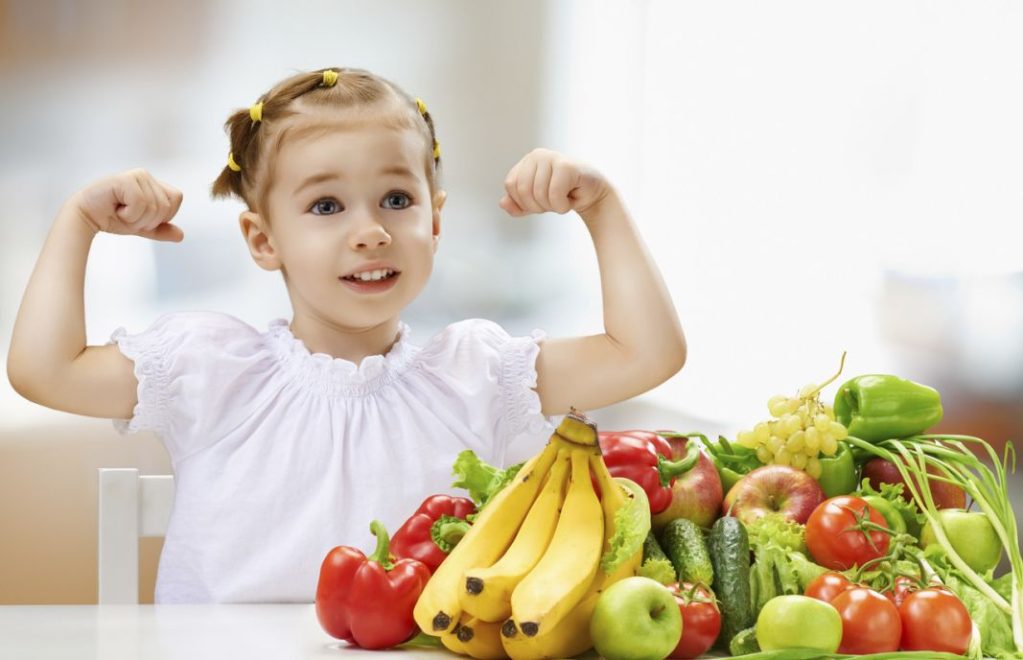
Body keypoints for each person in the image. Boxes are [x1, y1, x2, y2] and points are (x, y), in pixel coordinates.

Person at [7, 67, 687, 604]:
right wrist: (78, 222)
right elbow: (44, 370)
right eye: (327, 206)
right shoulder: (210, 368)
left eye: (397, 199)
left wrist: (601, 207)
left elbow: (648, 353)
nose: (371, 230)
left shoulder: (477, 375)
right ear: (263, 239)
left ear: (436, 221)